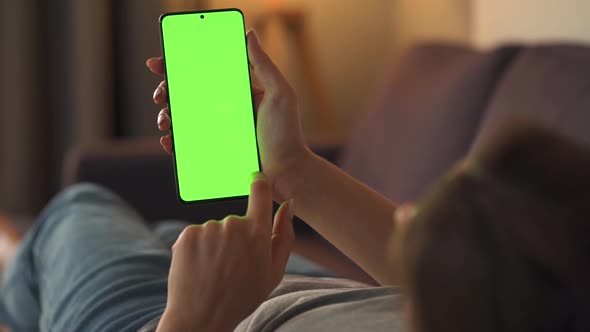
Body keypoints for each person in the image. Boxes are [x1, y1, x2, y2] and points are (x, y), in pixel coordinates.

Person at [0, 29, 588, 332]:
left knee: (81, 208)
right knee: (166, 229)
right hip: (289, 286)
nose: (406, 214)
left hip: (180, 319)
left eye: (432, 219)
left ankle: (15, 268)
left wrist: (191, 320)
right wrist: (293, 169)